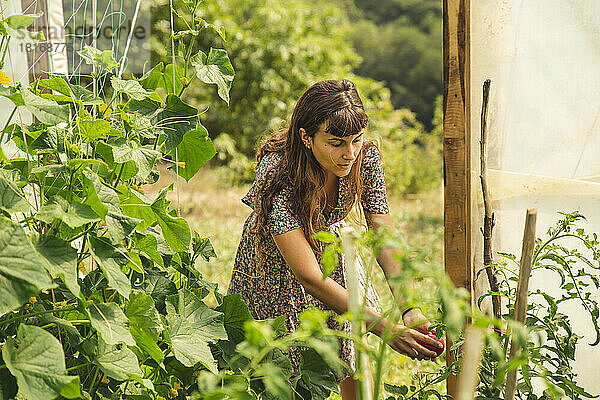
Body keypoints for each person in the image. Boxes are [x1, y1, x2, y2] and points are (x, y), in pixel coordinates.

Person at [227, 79, 443, 399]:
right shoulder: (278, 171)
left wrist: (409, 308)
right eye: (336, 142)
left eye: (356, 140)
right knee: (278, 364)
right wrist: (384, 327)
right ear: (306, 137)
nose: (349, 153)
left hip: (328, 252)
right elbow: (308, 276)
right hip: (272, 268)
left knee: (351, 348)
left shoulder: (364, 157)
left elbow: (382, 231)